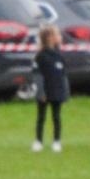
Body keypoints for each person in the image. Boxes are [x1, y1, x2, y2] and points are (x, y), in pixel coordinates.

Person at [32, 24, 69, 152]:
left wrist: (65, 92)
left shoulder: (59, 56)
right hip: (44, 93)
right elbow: (38, 76)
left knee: (56, 117)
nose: (60, 37)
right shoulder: (41, 56)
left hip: (57, 92)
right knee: (41, 117)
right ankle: (38, 141)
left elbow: (63, 75)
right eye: (57, 34)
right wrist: (41, 92)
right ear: (49, 37)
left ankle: (57, 141)